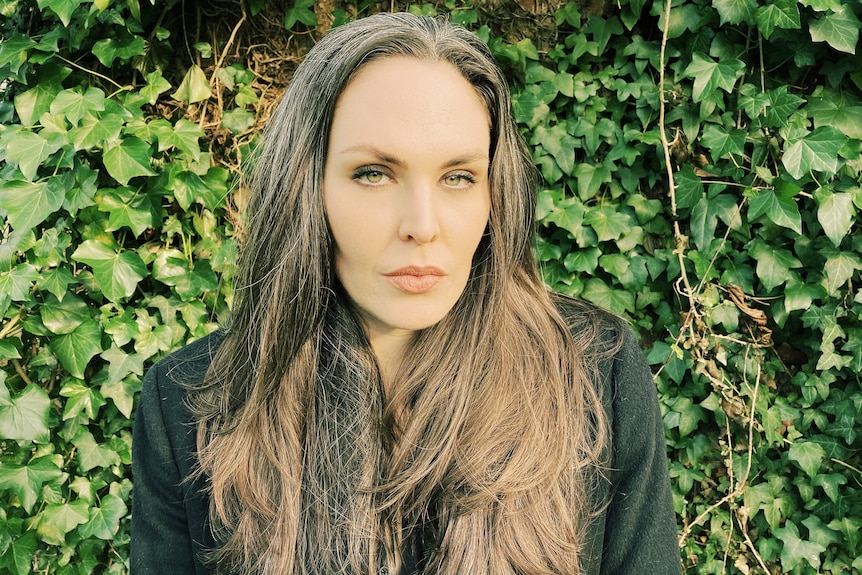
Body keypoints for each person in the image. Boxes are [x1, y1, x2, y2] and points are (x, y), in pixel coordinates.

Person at [131, 12, 682, 575]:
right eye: (374, 172)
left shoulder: (593, 373)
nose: (423, 225)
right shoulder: (193, 402)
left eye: (459, 177)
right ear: (306, 186)